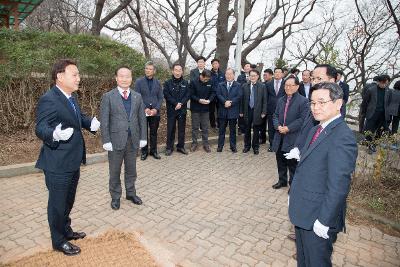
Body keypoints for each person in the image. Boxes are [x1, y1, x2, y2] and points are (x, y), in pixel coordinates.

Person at [35, 59, 100, 255]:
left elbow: (78, 117)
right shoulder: (49, 99)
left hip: (72, 160)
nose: (79, 78)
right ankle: (58, 240)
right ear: (60, 76)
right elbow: (40, 127)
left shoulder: (70, 97)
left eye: (78, 74)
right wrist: (53, 134)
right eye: (75, 74)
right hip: (57, 163)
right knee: (57, 204)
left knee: (68, 201)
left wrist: (90, 123)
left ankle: (66, 230)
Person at [289, 82, 358, 267]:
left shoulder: (342, 136)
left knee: (317, 262)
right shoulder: (317, 128)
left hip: (318, 216)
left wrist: (324, 220)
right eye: (312, 103)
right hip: (304, 210)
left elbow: (339, 185)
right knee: (304, 261)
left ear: (338, 103)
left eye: (321, 102)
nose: (315, 107)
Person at [100, 66, 147, 210]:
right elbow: (105, 120)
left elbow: (141, 119)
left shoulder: (137, 96)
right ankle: (115, 197)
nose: (124, 79)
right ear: (116, 78)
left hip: (133, 140)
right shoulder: (108, 97)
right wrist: (106, 140)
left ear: (131, 78)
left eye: (127, 76)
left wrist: (143, 137)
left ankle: (131, 193)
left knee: (131, 170)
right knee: (114, 171)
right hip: (115, 141)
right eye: (121, 76)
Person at [271, 76, 309, 189]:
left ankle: (293, 185)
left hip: (293, 136)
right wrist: (277, 125)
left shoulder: (303, 101)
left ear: (297, 86)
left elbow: (302, 119)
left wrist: (288, 128)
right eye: (286, 85)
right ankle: (282, 181)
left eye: (291, 85)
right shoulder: (281, 100)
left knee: (292, 163)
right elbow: (275, 115)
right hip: (280, 135)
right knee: (280, 160)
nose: (288, 87)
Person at [134, 61, 164, 160]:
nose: (148, 70)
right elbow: (137, 97)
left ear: (154, 71)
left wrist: (156, 109)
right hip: (143, 111)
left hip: (155, 112)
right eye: (146, 68)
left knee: (153, 132)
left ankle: (154, 151)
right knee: (143, 132)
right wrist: (144, 108)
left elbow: (160, 97)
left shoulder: (158, 82)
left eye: (150, 69)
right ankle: (144, 152)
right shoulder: (139, 82)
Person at [163, 63, 190, 156]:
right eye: (176, 70)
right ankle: (169, 148)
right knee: (171, 129)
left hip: (182, 110)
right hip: (172, 109)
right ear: (173, 71)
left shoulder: (185, 83)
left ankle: (180, 147)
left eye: (179, 70)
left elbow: (188, 95)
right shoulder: (167, 83)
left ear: (182, 72)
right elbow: (166, 95)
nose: (178, 72)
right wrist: (175, 103)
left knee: (181, 129)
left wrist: (181, 103)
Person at [360, 74, 391, 154]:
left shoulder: (388, 91)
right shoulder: (371, 90)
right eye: (384, 83)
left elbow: (388, 103)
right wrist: (364, 113)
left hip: (383, 115)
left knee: (380, 131)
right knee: (369, 130)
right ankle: (370, 146)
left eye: (386, 83)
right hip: (372, 113)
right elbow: (365, 103)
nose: (385, 85)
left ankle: (374, 144)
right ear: (379, 82)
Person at [240, 69, 267, 155]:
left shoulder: (262, 86)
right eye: (251, 75)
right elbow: (242, 100)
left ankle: (255, 147)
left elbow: (265, 100)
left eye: (254, 76)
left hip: (257, 111)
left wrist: (264, 112)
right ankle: (247, 146)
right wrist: (241, 111)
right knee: (247, 129)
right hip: (247, 110)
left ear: (258, 76)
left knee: (256, 130)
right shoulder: (244, 86)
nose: (252, 77)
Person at [216, 68, 243, 153]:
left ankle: (233, 147)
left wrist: (231, 102)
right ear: (225, 75)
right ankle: (220, 146)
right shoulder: (221, 85)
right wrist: (225, 102)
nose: (228, 76)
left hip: (233, 111)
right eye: (227, 74)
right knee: (221, 131)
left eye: (230, 74)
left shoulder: (238, 85)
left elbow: (239, 96)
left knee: (232, 131)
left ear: (233, 75)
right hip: (223, 111)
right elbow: (218, 94)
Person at [189, 69, 215, 152]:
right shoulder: (193, 82)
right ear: (201, 76)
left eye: (207, 79)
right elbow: (191, 94)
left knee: (205, 127)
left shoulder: (210, 82)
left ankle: (206, 144)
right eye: (205, 79)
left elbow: (213, 92)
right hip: (195, 108)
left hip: (206, 108)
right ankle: (194, 143)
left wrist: (209, 100)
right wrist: (199, 100)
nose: (206, 81)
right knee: (195, 127)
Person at [266, 68, 285, 151]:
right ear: (273, 74)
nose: (277, 74)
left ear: (282, 74)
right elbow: (265, 97)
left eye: (279, 72)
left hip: (283, 110)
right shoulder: (268, 84)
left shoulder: (286, 84)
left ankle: (281, 145)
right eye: (276, 72)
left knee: (281, 127)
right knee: (271, 128)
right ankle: (272, 145)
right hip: (271, 109)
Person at [210, 58, 226, 128]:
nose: (215, 65)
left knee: (220, 111)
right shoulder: (209, 74)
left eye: (216, 63)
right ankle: (213, 125)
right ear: (212, 65)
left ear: (218, 64)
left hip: (220, 96)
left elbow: (224, 84)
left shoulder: (222, 74)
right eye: (214, 64)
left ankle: (220, 124)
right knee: (211, 111)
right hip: (212, 96)